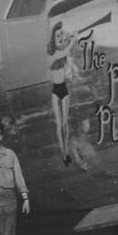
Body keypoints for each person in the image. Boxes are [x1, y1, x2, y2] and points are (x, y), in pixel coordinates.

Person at [47, 21, 78, 166]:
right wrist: (72, 39)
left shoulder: (63, 54)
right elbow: (63, 52)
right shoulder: (51, 55)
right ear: (52, 39)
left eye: (61, 34)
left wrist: (68, 41)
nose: (60, 37)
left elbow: (68, 63)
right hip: (56, 91)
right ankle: (64, 153)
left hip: (64, 90)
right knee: (59, 125)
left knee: (65, 124)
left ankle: (66, 152)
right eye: (57, 36)